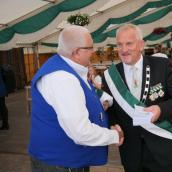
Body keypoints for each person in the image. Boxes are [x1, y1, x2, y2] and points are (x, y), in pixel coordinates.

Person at [28, 25, 124, 172]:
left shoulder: (68, 69)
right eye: (90, 48)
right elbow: (80, 132)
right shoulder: (62, 78)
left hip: (68, 159)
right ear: (77, 52)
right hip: (60, 164)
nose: (93, 52)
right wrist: (114, 135)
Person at [102, 24, 172, 172]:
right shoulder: (110, 76)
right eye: (119, 44)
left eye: (129, 43)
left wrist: (160, 109)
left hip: (162, 148)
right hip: (131, 152)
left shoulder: (161, 65)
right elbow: (110, 110)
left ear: (141, 45)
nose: (123, 50)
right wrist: (112, 123)